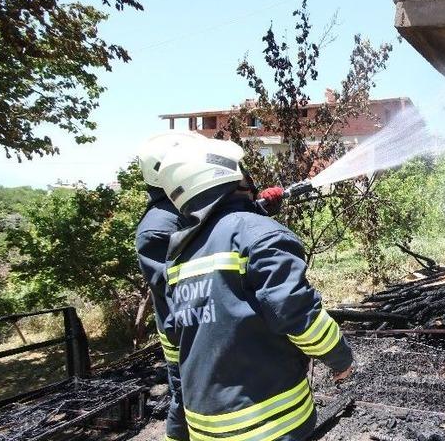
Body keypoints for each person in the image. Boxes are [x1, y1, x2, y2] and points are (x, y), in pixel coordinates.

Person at [157, 138, 353, 441]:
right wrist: (340, 358)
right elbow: (297, 312)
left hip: (204, 427)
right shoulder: (260, 235)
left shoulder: (178, 256)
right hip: (271, 423)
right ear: (233, 178)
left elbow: (173, 340)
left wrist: (254, 212)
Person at [136, 131, 203, 441]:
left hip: (200, 329)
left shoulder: (181, 211)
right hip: (185, 336)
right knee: (186, 399)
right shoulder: (158, 228)